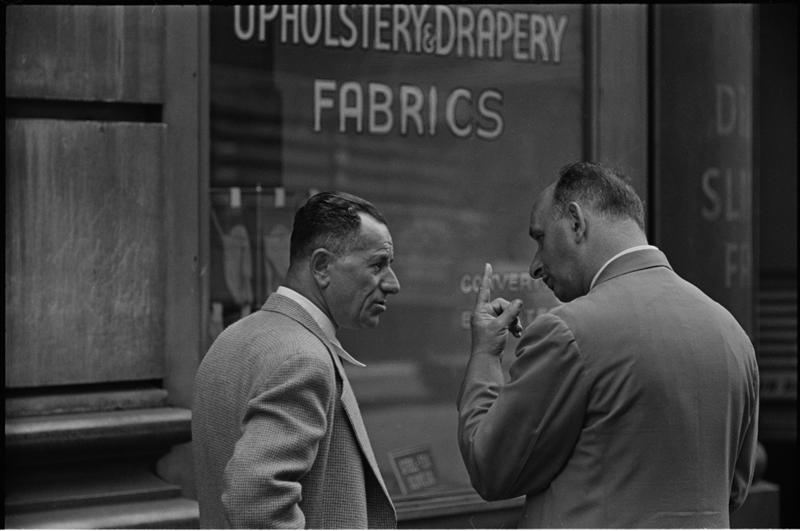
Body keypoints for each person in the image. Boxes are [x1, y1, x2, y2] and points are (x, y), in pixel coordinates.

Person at [458, 162, 759, 528]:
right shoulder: (732, 334)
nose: (535, 266)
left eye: (540, 239)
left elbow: (492, 468)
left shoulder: (568, 331)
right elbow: (734, 489)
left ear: (576, 222)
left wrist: (485, 354)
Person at [192, 191, 400, 529]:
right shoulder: (303, 359)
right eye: (378, 265)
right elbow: (253, 498)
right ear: (321, 267)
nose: (393, 283)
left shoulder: (234, 336)